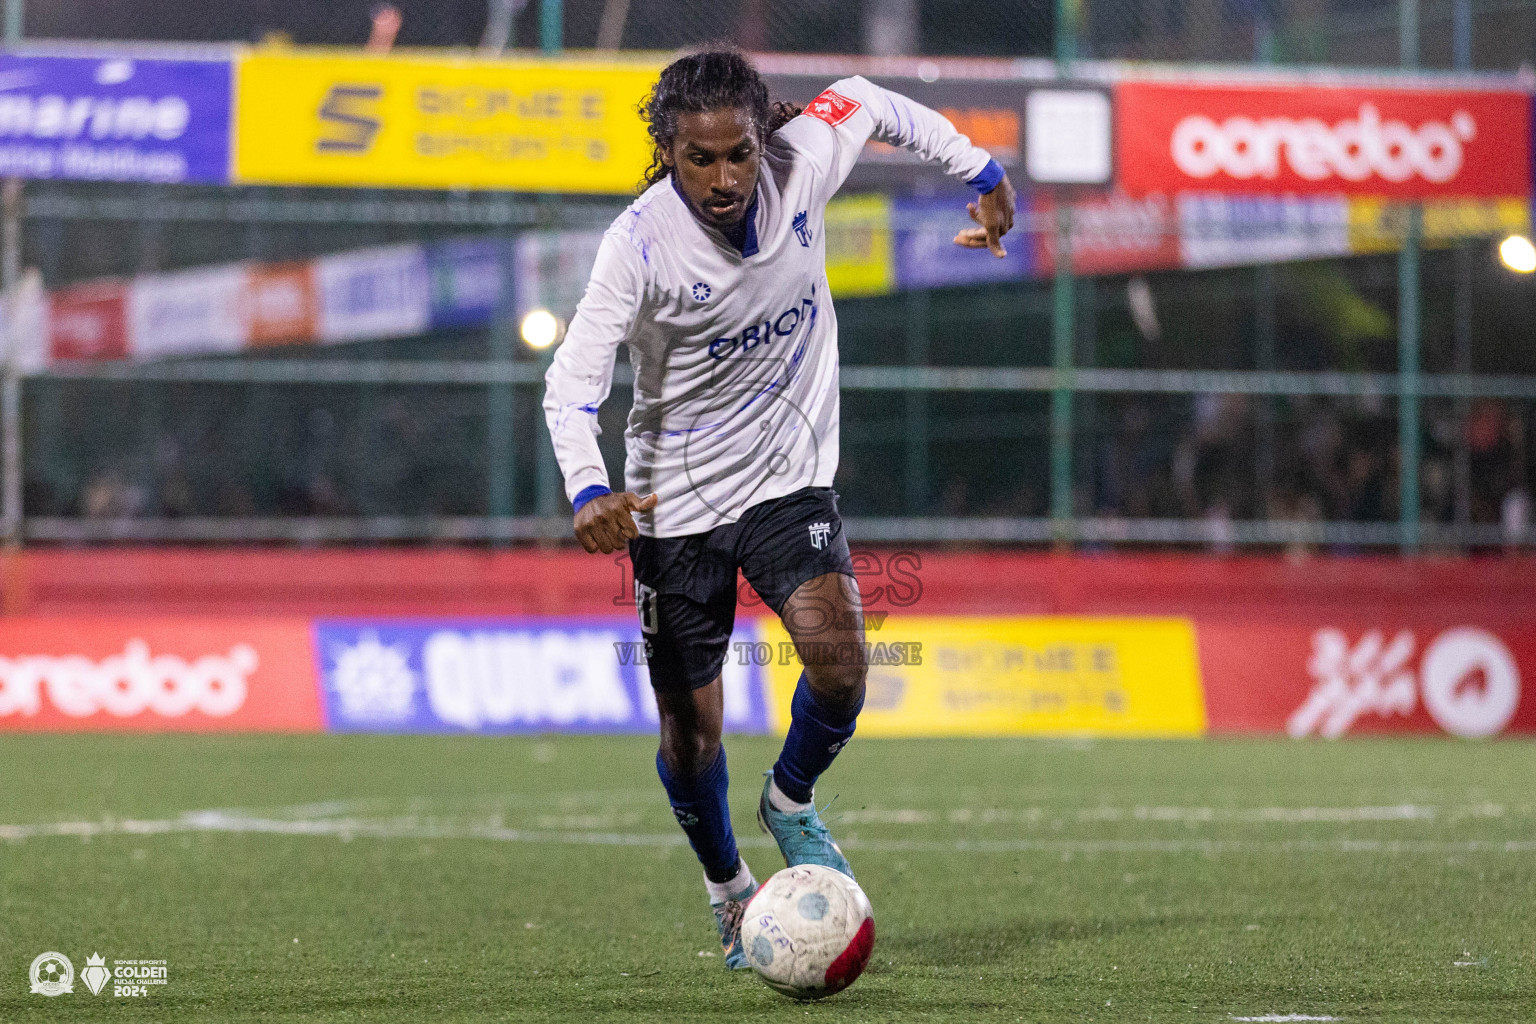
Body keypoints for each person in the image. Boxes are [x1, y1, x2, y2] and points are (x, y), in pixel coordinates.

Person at [542, 48, 1014, 968]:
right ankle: (728, 891)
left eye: (739, 156)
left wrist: (985, 175)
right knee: (692, 729)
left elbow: (875, 100)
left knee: (840, 664)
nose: (724, 179)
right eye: (699, 161)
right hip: (671, 504)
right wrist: (590, 490)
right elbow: (571, 385)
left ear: (766, 140)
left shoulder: (805, 157)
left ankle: (790, 799)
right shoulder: (636, 246)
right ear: (666, 153)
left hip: (786, 476)